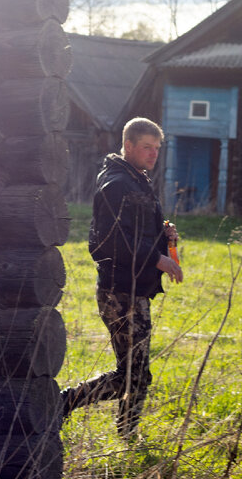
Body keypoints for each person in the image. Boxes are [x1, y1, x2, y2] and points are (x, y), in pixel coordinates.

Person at [62, 117, 183, 440]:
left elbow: (135, 231)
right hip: (120, 292)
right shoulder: (116, 184)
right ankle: (63, 404)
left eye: (157, 149)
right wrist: (156, 257)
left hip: (135, 289)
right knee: (133, 376)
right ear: (128, 146)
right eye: (146, 147)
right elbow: (111, 240)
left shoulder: (136, 178)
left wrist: (163, 235)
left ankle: (126, 435)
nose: (153, 154)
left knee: (136, 374)